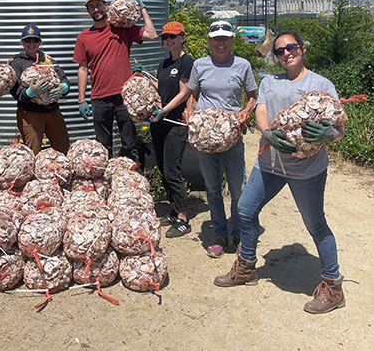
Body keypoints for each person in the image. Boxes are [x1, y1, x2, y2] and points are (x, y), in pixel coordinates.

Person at [214, 31, 347, 315]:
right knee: (246, 209)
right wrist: (267, 133)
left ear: (302, 49)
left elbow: (340, 128)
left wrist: (329, 133)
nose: (286, 53)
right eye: (280, 51)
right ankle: (246, 267)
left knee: (316, 226)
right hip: (270, 164)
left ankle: (334, 287)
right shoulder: (270, 82)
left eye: (291, 47)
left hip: (307, 170)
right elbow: (261, 109)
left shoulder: (321, 84)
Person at [182, 20, 256, 258]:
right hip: (206, 137)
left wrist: (246, 112)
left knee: (238, 189)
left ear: (232, 40)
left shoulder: (242, 65)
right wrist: (189, 112)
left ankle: (240, 234)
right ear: (210, 41)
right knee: (212, 188)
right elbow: (193, 95)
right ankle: (221, 234)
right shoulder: (200, 65)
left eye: (225, 38)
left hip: (232, 136)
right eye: (216, 38)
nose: (221, 43)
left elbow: (252, 95)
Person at [74, 0, 157, 163]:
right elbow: (82, 68)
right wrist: (81, 100)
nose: (96, 10)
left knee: (129, 142)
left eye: (98, 5)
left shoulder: (122, 30)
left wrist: (142, 8)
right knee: (103, 146)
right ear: (88, 11)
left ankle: (133, 180)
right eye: (91, 7)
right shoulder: (84, 37)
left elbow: (152, 34)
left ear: (107, 6)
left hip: (124, 97)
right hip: (99, 99)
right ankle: (107, 182)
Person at [148, 21, 194, 238]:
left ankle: (184, 218)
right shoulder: (163, 63)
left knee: (172, 171)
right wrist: (144, 77)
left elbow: (184, 92)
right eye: (165, 37)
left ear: (183, 37)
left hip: (175, 122)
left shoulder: (186, 62)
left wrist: (165, 110)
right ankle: (174, 209)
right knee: (163, 169)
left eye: (173, 36)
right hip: (160, 123)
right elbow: (161, 87)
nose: (169, 40)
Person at [9, 24, 71, 153]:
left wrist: (63, 88)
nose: (31, 43)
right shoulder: (17, 63)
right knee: (34, 152)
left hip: (53, 112)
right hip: (30, 114)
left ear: (40, 42)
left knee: (63, 149)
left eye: (35, 40)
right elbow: (15, 91)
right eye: (28, 40)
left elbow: (64, 78)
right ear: (22, 42)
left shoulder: (47, 60)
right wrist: (29, 93)